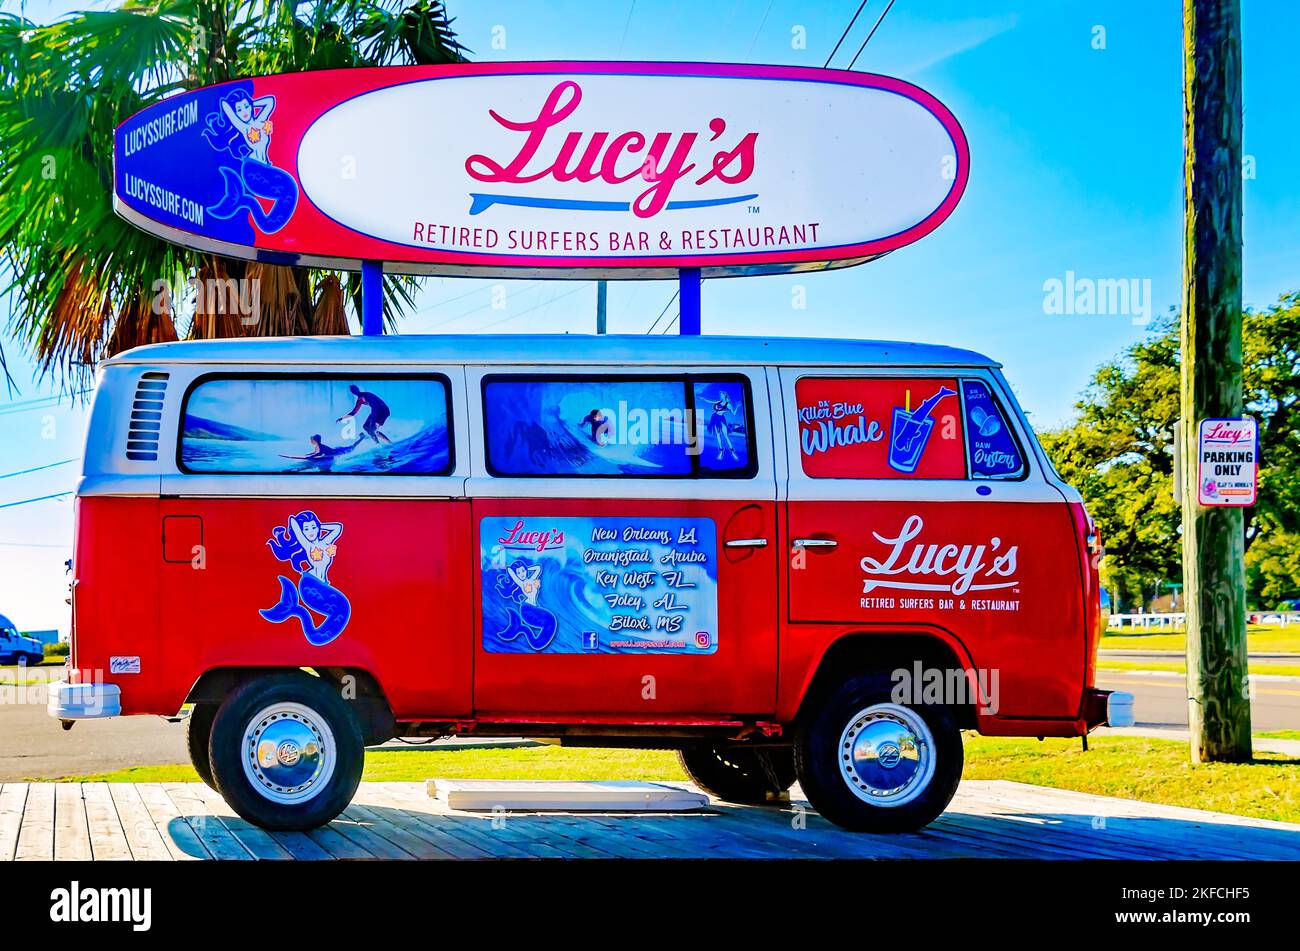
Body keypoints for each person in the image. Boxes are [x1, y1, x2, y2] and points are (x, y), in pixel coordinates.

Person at [280, 433, 361, 471]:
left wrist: (309, 457)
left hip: (336, 452)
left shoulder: (320, 446)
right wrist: (308, 455)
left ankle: (361, 438)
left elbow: (319, 453)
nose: (310, 441)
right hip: (330, 454)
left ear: (314, 440)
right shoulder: (317, 446)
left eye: (311, 440)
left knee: (352, 448)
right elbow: (315, 452)